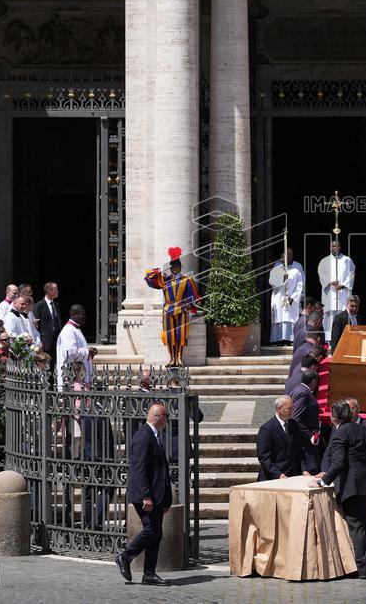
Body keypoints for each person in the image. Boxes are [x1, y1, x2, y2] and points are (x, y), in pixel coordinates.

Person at [314, 400, 366, 579]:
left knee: (357, 527)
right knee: (365, 526)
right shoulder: (363, 429)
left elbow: (338, 463)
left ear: (333, 417)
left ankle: (364, 569)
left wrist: (323, 481)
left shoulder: (339, 434)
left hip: (354, 486)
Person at [117, 403, 172, 585]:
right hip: (146, 496)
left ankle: (149, 573)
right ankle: (125, 556)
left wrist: (165, 498)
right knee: (151, 530)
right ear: (159, 417)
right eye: (166, 417)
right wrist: (146, 495)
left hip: (156, 495)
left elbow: (160, 468)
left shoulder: (154, 436)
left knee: (156, 533)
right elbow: (138, 469)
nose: (167, 421)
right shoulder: (143, 436)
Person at [145, 246, 199, 367]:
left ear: (180, 267)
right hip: (168, 310)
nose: (175, 268)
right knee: (169, 336)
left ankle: (179, 358)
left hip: (182, 309)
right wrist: (157, 272)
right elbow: (148, 280)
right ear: (171, 268)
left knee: (181, 334)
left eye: (177, 266)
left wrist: (190, 307)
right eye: (173, 266)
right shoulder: (164, 280)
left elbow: (193, 296)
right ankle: (171, 358)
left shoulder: (186, 280)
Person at [317, 240, 355, 343]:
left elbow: (351, 275)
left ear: (340, 247)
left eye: (337, 246)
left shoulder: (347, 260)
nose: (335, 248)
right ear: (330, 247)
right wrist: (330, 282)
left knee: (342, 314)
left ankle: (343, 337)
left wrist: (342, 285)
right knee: (330, 315)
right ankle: (330, 338)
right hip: (330, 293)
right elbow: (321, 274)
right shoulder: (324, 261)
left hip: (342, 294)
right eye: (333, 246)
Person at [255, 396, 299, 480]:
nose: (291, 411)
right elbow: (264, 457)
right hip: (272, 477)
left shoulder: (294, 425)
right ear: (279, 409)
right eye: (288, 409)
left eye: (292, 408)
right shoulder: (267, 429)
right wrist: (278, 474)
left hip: (292, 475)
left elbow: (299, 450)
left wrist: (304, 469)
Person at [55, 304, 97, 391]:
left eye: (84, 314)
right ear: (73, 315)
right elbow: (71, 353)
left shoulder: (75, 329)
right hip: (73, 377)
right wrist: (87, 351)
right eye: (82, 314)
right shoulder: (68, 331)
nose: (84, 317)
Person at [290, 370, 321, 474]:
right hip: (305, 440)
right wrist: (310, 435)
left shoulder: (299, 389)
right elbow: (295, 417)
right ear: (313, 381)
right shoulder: (303, 393)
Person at [33, 282, 62, 363]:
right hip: (45, 341)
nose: (58, 292)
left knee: (54, 363)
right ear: (49, 291)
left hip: (56, 340)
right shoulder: (39, 305)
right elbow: (35, 324)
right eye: (56, 289)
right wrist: (39, 340)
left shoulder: (56, 305)